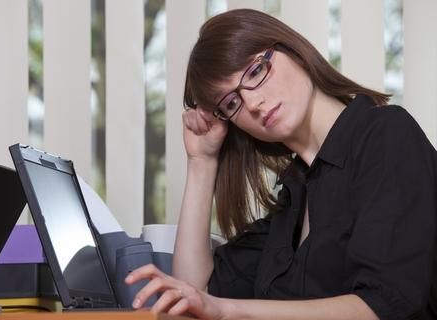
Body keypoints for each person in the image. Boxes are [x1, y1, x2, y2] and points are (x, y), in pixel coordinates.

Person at [125, 8, 437, 319]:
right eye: (231, 103)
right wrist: (201, 161)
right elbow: (194, 293)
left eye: (256, 71)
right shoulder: (294, 199)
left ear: (293, 51)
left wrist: (225, 311)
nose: (253, 103)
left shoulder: (385, 135)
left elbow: (383, 305)